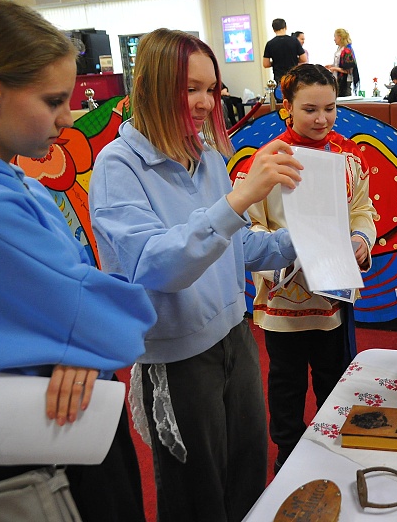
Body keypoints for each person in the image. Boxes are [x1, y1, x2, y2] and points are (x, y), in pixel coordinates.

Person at [89, 28, 304, 522]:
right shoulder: (118, 166)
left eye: (211, 89)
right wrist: (239, 200)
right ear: (152, 87)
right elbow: (156, 266)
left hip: (235, 337)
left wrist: (311, 240)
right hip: (176, 357)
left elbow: (236, 247)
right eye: (190, 89)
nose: (205, 102)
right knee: (196, 494)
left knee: (248, 472)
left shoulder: (205, 156)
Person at [0, 0, 156, 521]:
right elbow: (121, 315)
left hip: (69, 411)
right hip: (43, 428)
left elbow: (83, 291)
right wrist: (86, 334)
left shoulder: (20, 182)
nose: (67, 120)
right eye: (52, 101)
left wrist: (80, 335)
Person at [234, 63, 377, 474]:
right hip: (285, 297)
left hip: (333, 293)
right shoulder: (266, 161)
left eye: (329, 108)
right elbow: (248, 224)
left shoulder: (348, 158)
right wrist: (285, 258)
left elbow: (362, 209)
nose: (321, 119)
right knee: (286, 380)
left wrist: (360, 240)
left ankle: (333, 446)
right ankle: (288, 453)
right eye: (310, 109)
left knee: (335, 374)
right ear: (287, 107)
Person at [263, 18, 307, 99]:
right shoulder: (294, 41)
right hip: (293, 78)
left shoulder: (270, 44)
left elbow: (265, 64)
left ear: (273, 29)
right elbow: (304, 59)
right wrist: (293, 59)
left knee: (281, 102)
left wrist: (275, 62)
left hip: (279, 79)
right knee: (294, 100)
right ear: (285, 27)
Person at [327, 28, 359, 97]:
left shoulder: (347, 50)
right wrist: (331, 66)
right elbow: (340, 64)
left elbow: (348, 70)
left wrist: (335, 68)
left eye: (335, 37)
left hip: (345, 81)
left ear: (340, 37)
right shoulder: (339, 49)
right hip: (338, 80)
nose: (334, 39)